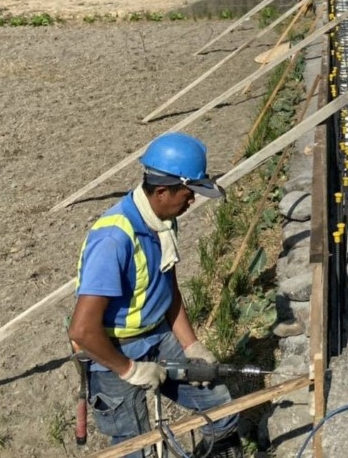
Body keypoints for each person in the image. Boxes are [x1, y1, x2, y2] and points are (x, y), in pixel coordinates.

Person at [68, 133, 243, 457]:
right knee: (137, 447)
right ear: (162, 191)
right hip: (113, 351)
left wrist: (191, 345)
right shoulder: (114, 239)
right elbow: (81, 330)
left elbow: (168, 287)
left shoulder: (164, 220)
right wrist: (129, 369)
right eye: (189, 194)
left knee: (218, 407)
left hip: (160, 337)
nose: (192, 201)